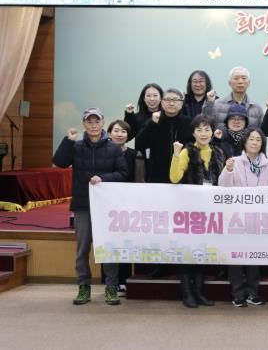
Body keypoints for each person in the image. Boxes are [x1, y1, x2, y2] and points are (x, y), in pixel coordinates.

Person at [52, 108, 128, 306]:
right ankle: (83, 286)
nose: (93, 125)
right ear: (84, 124)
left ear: (103, 123)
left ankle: (111, 287)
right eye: (89, 122)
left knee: (108, 248)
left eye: (97, 121)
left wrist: (103, 178)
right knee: (82, 249)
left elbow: (123, 174)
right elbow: (59, 162)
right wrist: (68, 141)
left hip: (107, 208)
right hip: (82, 205)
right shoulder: (76, 146)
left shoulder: (114, 148)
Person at [219, 127, 268, 307]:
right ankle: (237, 293)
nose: (254, 142)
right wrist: (228, 170)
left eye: (258, 140)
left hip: (259, 219)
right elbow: (223, 187)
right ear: (245, 142)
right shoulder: (234, 162)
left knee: (254, 256)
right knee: (236, 256)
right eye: (251, 139)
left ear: (263, 144)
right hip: (236, 219)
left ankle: (253, 293)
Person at [169, 115, 225, 308]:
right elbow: (174, 178)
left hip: (210, 212)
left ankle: (199, 293)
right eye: (199, 130)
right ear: (193, 133)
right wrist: (176, 154)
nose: (203, 133)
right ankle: (187, 294)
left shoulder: (218, 152)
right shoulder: (187, 151)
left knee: (202, 253)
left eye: (207, 129)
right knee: (188, 253)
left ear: (212, 132)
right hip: (189, 211)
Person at [105, 119, 139, 294]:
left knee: (126, 242)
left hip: (128, 205)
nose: (120, 134)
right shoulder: (102, 152)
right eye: (116, 130)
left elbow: (138, 179)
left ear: (128, 135)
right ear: (109, 133)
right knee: (109, 242)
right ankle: (110, 282)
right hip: (107, 204)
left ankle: (124, 279)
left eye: (124, 131)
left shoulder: (134, 154)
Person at [136, 88, 193, 184]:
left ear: (181, 103)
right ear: (162, 102)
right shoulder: (153, 121)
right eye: (167, 100)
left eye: (175, 100)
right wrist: (152, 124)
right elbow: (139, 144)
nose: (171, 103)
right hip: (157, 175)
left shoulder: (189, 122)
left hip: (183, 173)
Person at [203, 66, 263, 131]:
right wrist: (209, 104)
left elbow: (261, 133)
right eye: (236, 78)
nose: (240, 81)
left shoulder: (257, 108)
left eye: (244, 78)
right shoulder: (216, 105)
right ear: (229, 83)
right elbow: (206, 124)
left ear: (249, 83)